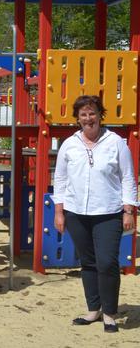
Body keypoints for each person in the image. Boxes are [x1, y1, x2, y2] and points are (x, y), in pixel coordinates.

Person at [53, 95, 137, 333]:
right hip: (76, 212)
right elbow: (59, 179)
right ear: (77, 119)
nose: (88, 118)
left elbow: (128, 177)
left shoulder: (116, 143)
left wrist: (128, 209)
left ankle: (110, 313)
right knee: (88, 262)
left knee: (108, 262)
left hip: (108, 212)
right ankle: (94, 310)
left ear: (100, 115)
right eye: (83, 115)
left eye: (92, 113)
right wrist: (59, 212)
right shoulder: (69, 144)